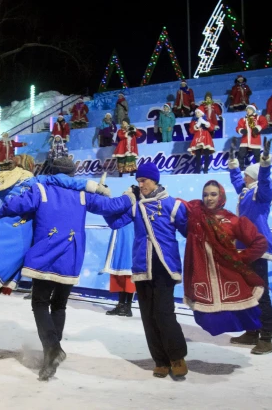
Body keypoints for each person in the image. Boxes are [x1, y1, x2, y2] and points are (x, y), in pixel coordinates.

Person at [0, 157, 132, 381]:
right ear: (72, 173)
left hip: (45, 255)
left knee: (39, 303)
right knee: (59, 305)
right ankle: (52, 354)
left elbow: (16, 205)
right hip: (71, 256)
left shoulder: (41, 189)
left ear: (50, 171)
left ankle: (52, 348)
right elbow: (111, 206)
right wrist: (130, 196)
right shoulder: (82, 194)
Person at [0, 155, 109, 333]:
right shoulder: (36, 180)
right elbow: (62, 181)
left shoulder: (3, 179)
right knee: (8, 272)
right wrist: (93, 186)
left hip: (5, 223)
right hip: (26, 230)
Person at [104, 163, 189, 380]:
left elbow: (191, 231)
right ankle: (160, 360)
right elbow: (114, 222)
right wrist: (120, 199)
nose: (140, 185)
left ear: (155, 181)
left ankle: (177, 357)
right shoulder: (136, 206)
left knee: (164, 313)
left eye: (144, 181)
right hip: (142, 267)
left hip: (164, 267)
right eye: (138, 181)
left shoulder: (173, 205)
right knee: (148, 316)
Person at [179, 181, 268, 337]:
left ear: (221, 196)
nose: (209, 198)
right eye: (205, 195)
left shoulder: (232, 220)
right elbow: (176, 204)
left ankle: (265, 337)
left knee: (243, 314)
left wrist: (240, 258)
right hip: (203, 278)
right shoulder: (195, 214)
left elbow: (259, 242)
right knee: (206, 319)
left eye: (213, 194)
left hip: (226, 275)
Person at [228, 138, 272, 355]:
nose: (244, 177)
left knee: (260, 291)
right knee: (247, 292)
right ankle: (251, 331)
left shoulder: (261, 192)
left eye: (247, 173)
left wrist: (265, 165)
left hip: (257, 247)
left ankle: (266, 336)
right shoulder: (246, 191)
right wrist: (233, 164)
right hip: (243, 247)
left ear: (254, 176)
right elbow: (237, 181)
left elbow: (265, 182)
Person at [101, 221, 135, 317]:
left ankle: (128, 306)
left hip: (129, 229)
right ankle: (121, 304)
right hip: (120, 229)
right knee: (118, 268)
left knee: (129, 269)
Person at [236, 105, 268, 170]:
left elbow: (264, 123)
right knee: (241, 155)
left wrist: (258, 128)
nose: (248, 111)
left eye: (249, 109)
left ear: (253, 110)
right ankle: (240, 168)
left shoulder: (258, 118)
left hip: (255, 139)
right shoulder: (244, 119)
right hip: (245, 140)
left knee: (257, 156)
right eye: (247, 110)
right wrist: (241, 130)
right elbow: (238, 127)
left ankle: (260, 169)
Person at [188, 109, 215, 174]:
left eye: (198, 112)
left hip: (206, 138)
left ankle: (205, 169)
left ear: (202, 113)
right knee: (198, 156)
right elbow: (191, 131)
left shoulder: (206, 120)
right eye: (196, 112)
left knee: (206, 155)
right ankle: (197, 170)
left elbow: (211, 128)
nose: (197, 113)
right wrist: (197, 125)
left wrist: (205, 123)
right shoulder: (193, 121)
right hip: (197, 138)